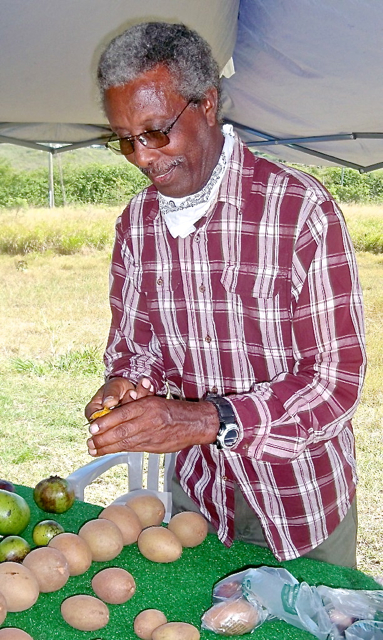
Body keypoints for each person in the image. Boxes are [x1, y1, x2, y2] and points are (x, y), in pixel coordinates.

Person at [85, 22, 366, 566]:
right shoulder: (138, 224)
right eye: (124, 139)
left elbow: (335, 383)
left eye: (156, 132)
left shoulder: (299, 210)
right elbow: (136, 346)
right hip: (199, 500)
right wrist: (127, 385)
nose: (142, 157)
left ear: (207, 104)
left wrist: (203, 420)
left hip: (298, 498)